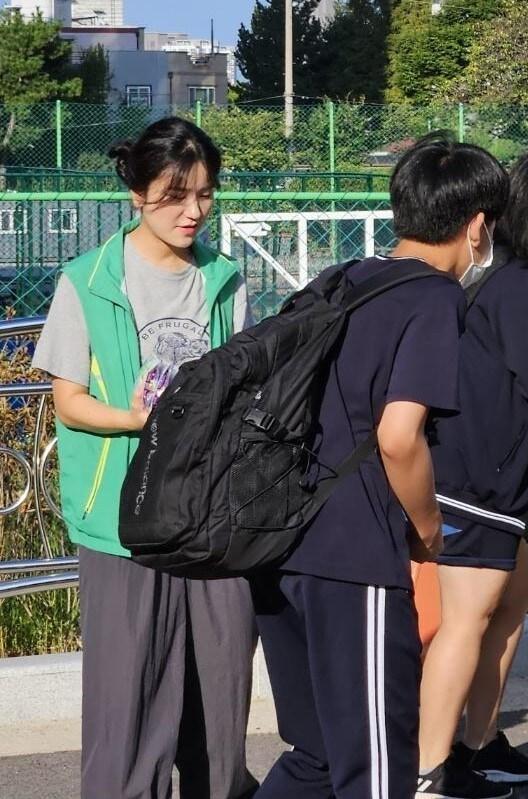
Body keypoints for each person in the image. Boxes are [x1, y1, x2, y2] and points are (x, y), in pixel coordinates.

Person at [250, 136, 507, 799]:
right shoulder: (432, 299)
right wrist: (426, 527)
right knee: (377, 770)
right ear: (477, 226)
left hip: (279, 543)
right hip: (353, 555)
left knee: (314, 755)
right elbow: (399, 437)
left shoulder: (339, 281)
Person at [33, 117, 258, 799]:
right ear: (137, 193)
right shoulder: (86, 280)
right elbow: (68, 400)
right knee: (126, 695)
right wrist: (134, 418)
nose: (194, 211)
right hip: (121, 517)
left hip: (211, 512)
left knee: (221, 684)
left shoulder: (224, 279)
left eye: (206, 194)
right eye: (175, 195)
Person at [414, 149, 528, 799]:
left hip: (488, 482)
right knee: (468, 618)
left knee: (513, 598)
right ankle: (431, 769)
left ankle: (480, 741)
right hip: (476, 485)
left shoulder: (506, 279)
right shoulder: (517, 282)